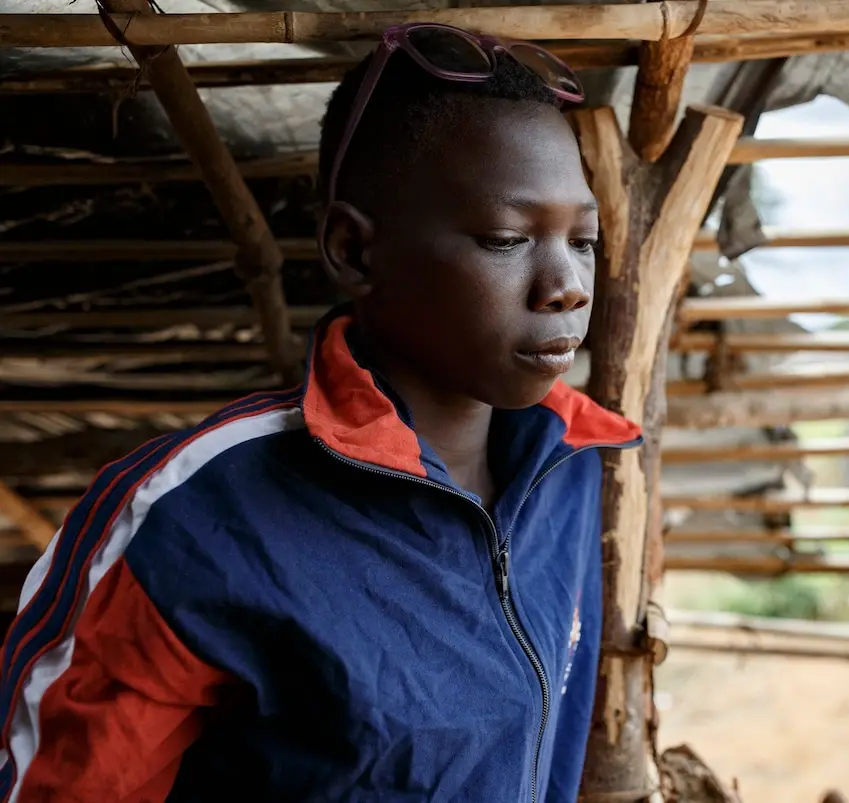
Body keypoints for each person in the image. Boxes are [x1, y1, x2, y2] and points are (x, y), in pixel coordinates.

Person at [0, 24, 640, 802]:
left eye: (583, 239)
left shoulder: (571, 466)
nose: (567, 284)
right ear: (353, 249)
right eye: (507, 238)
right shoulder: (193, 518)